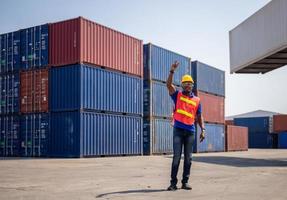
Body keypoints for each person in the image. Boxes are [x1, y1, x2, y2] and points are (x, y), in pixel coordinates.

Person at [166, 61, 206, 191]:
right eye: (186, 83)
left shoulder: (197, 100)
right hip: (178, 130)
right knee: (177, 157)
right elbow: (168, 85)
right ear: (182, 85)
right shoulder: (176, 95)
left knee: (188, 159)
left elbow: (199, 116)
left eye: (190, 83)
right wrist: (172, 71)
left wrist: (203, 129)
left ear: (192, 85)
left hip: (190, 132)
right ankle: (173, 183)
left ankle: (185, 182)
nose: (188, 85)